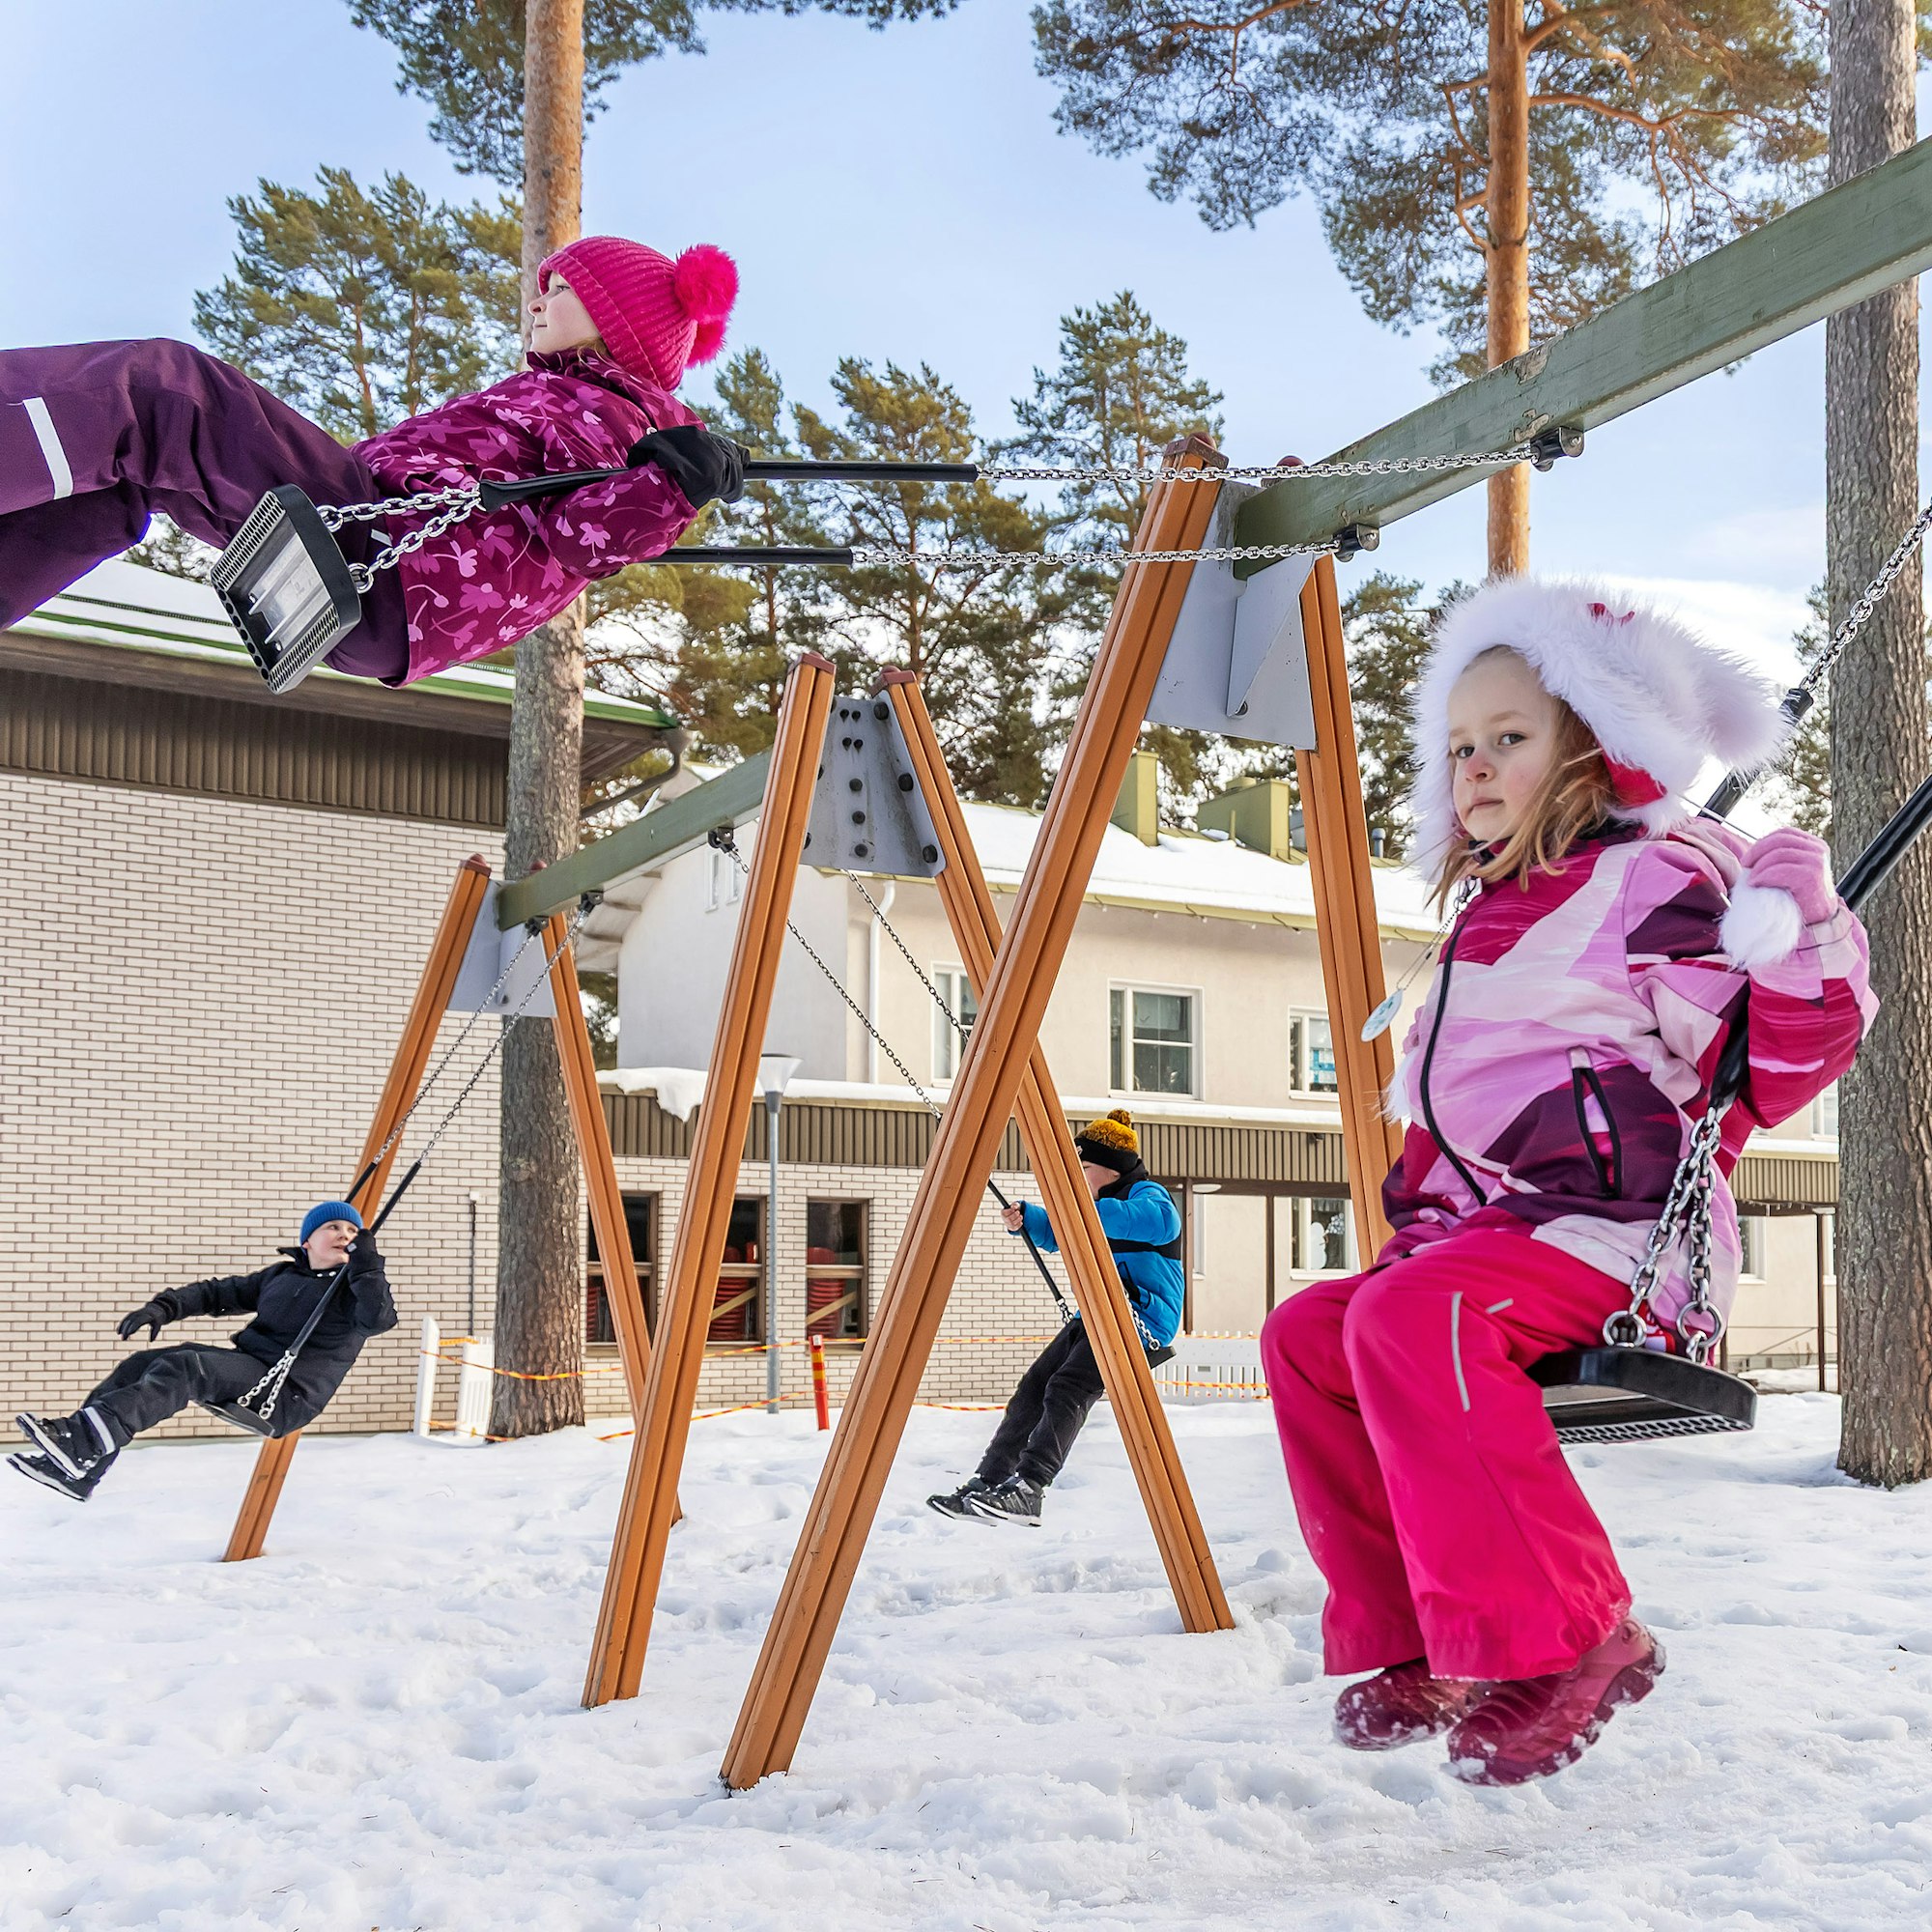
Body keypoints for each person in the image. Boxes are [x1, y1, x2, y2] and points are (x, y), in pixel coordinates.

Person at [1262, 578, 1875, 1786]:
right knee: (1307, 1334)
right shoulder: (1485, 916)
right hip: (1497, 1239)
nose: (1474, 766)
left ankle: (1576, 1633)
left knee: (1412, 1316)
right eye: (1457, 747)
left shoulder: (1653, 883)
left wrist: (1804, 931)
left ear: (1592, 746)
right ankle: (1430, 1638)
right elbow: (1446, 1134)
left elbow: (1768, 1067)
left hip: (1622, 1236)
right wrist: (1413, 1243)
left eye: (1508, 737)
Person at [0, 237, 746, 687]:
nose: (538, 300)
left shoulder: (612, 412)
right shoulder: (566, 395)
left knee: (166, 389)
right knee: (132, 472)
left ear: (618, 322)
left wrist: (673, 486)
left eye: (562, 288)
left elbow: (588, 538)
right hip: (372, 570)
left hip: (390, 558)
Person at [11, 1200, 396, 1501]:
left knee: (187, 1367)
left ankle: (81, 1441)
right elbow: (217, 1292)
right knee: (142, 1364)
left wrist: (367, 1268)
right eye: (332, 1226)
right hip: (250, 1367)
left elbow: (378, 1320)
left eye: (351, 1229)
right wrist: (162, 1307)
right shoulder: (282, 1275)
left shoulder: (356, 1288)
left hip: (286, 1393)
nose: (344, 1233)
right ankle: (79, 1469)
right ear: (307, 1240)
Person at [929, 1109, 1184, 1527]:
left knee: (1068, 1386)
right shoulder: (1095, 1208)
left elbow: (1147, 1224)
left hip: (1142, 1322)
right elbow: (1060, 1231)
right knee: (1032, 1389)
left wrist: (1072, 1208)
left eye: (1084, 1167)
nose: (1079, 1177)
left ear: (1112, 1169)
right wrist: (1028, 1219)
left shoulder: (1149, 1199)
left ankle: (1030, 1487)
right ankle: (988, 1482)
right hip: (1100, 1315)